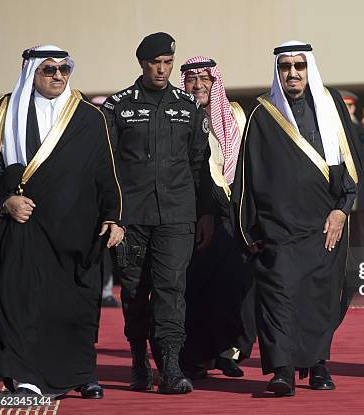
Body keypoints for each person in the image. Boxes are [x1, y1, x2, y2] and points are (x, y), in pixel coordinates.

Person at [0, 45, 124, 398]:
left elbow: (106, 173)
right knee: (20, 303)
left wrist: (114, 216)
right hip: (23, 229)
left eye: (64, 70)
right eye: (50, 70)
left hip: (77, 231)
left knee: (75, 307)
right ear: (32, 72)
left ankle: (82, 373)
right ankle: (26, 376)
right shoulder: (6, 112)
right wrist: (6, 202)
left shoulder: (88, 117)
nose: (58, 76)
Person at [231, 40, 362, 397]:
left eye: (299, 66)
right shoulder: (262, 111)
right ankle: (283, 372)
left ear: (309, 70)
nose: (292, 73)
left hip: (325, 225)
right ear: (278, 70)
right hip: (279, 229)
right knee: (279, 297)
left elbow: (351, 164)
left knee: (319, 298)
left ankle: (318, 365)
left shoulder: (331, 104)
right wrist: (248, 229)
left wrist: (342, 208)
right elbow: (247, 175)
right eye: (286, 66)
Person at [101, 32, 212, 394]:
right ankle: (137, 358)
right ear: (142, 64)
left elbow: (199, 164)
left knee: (171, 289)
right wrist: (112, 214)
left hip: (177, 215)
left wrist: (204, 212)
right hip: (132, 218)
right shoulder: (117, 106)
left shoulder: (188, 106)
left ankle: (170, 366)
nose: (162, 70)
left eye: (168, 63)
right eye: (155, 63)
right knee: (135, 292)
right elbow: (108, 167)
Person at [178, 56, 255, 379]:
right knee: (196, 290)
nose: (198, 86)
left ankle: (227, 352)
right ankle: (196, 357)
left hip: (232, 214)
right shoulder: (180, 117)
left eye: (204, 79)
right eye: (192, 80)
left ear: (214, 81)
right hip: (192, 214)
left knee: (231, 287)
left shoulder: (235, 115)